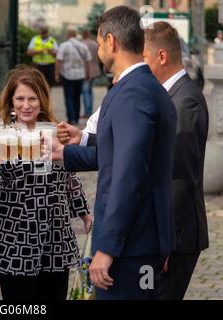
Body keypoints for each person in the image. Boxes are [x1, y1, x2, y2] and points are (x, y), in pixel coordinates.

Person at [50, 6, 177, 300]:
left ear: (111, 41)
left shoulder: (133, 92)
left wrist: (106, 248)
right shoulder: (145, 86)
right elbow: (118, 155)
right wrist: (65, 154)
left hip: (131, 246)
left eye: (97, 43)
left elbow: (128, 173)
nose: (97, 50)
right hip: (143, 241)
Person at [0, 65, 93, 301]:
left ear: (42, 100)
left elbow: (69, 176)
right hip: (14, 233)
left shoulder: (56, 131)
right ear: (11, 101)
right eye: (20, 99)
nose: (26, 105)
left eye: (32, 99)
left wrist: (84, 213)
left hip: (54, 231)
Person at [144, 21, 209, 300]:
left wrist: (165, 242)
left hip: (176, 237)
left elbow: (179, 178)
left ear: (161, 57)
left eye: (143, 59)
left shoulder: (185, 102)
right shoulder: (171, 95)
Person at [55, 28, 92, 124]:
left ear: (68, 35)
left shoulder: (64, 46)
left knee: (69, 97)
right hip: (80, 75)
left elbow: (59, 61)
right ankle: (76, 117)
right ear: (75, 35)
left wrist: (57, 74)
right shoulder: (83, 46)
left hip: (67, 75)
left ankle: (71, 119)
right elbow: (88, 61)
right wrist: (88, 73)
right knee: (77, 97)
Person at [81, 30, 102, 118]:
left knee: (85, 91)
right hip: (95, 70)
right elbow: (99, 57)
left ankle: (87, 112)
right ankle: (89, 111)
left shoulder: (82, 45)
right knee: (90, 91)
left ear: (83, 35)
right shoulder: (95, 44)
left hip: (86, 71)